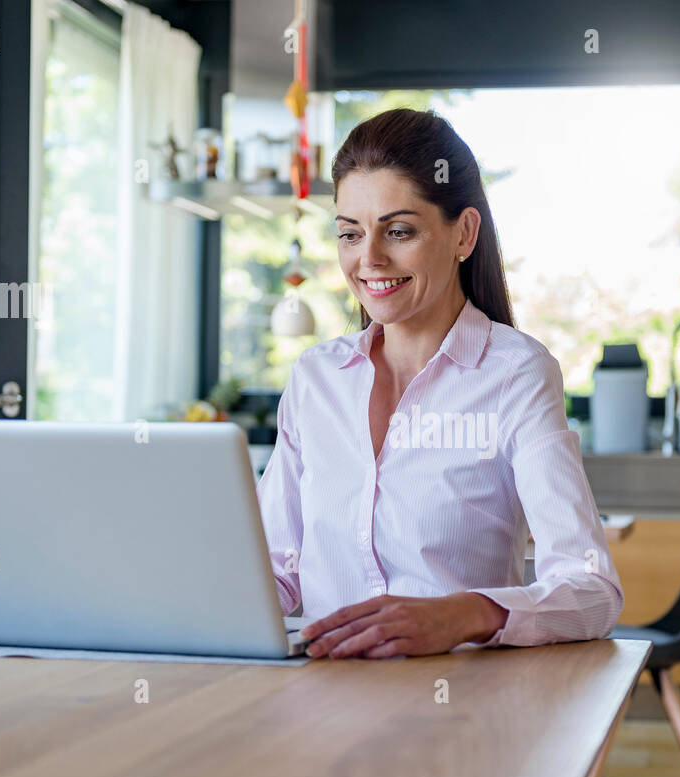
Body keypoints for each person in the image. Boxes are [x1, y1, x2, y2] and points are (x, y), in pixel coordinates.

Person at [256, 108, 624, 659]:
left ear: (464, 234)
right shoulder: (316, 378)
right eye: (350, 234)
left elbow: (592, 588)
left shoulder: (515, 374)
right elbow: (277, 571)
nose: (369, 258)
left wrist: (465, 614)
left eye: (398, 230)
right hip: (319, 699)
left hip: (452, 706)